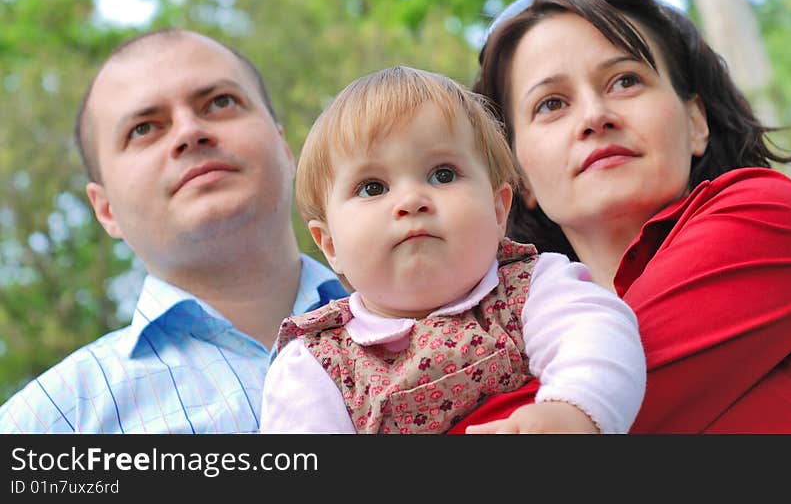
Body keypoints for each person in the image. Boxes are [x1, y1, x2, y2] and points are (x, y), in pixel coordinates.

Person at [450, 0, 791, 434]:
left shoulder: (768, 217)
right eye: (551, 104)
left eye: (625, 81)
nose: (595, 116)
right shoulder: (505, 336)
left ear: (696, 121)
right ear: (517, 178)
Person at [259, 66, 646, 434]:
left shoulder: (532, 288)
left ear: (498, 210)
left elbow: (598, 335)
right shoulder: (315, 364)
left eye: (442, 174)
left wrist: (573, 410)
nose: (411, 200)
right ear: (330, 245)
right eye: (372, 187)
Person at [0, 28, 348, 433]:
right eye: (144, 128)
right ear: (106, 208)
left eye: (220, 102)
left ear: (285, 150)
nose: (189, 132)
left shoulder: (433, 316)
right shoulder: (51, 421)